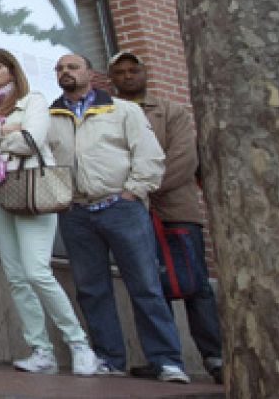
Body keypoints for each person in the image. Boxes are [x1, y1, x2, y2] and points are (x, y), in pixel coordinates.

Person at [0, 48, 96, 375]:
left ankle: (78, 343)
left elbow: (30, 140)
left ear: (12, 70)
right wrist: (3, 131)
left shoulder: (33, 100)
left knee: (36, 271)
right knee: (16, 276)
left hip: (30, 187)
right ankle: (40, 350)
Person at [48, 53, 188, 383]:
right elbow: (45, 160)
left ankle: (167, 360)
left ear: (91, 74)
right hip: (76, 213)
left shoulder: (122, 110)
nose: (65, 72)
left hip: (121, 208)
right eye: (59, 68)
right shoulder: (50, 116)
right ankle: (110, 358)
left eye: (72, 67)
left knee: (145, 285)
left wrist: (133, 191)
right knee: (91, 289)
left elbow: (149, 154)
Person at [108, 50, 223, 383]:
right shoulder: (108, 113)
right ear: (111, 78)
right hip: (130, 212)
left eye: (134, 70)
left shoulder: (172, 112)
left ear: (145, 74)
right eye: (120, 72)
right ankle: (164, 358)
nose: (128, 76)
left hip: (174, 211)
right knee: (148, 285)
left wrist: (141, 187)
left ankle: (215, 356)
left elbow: (184, 160)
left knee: (195, 284)